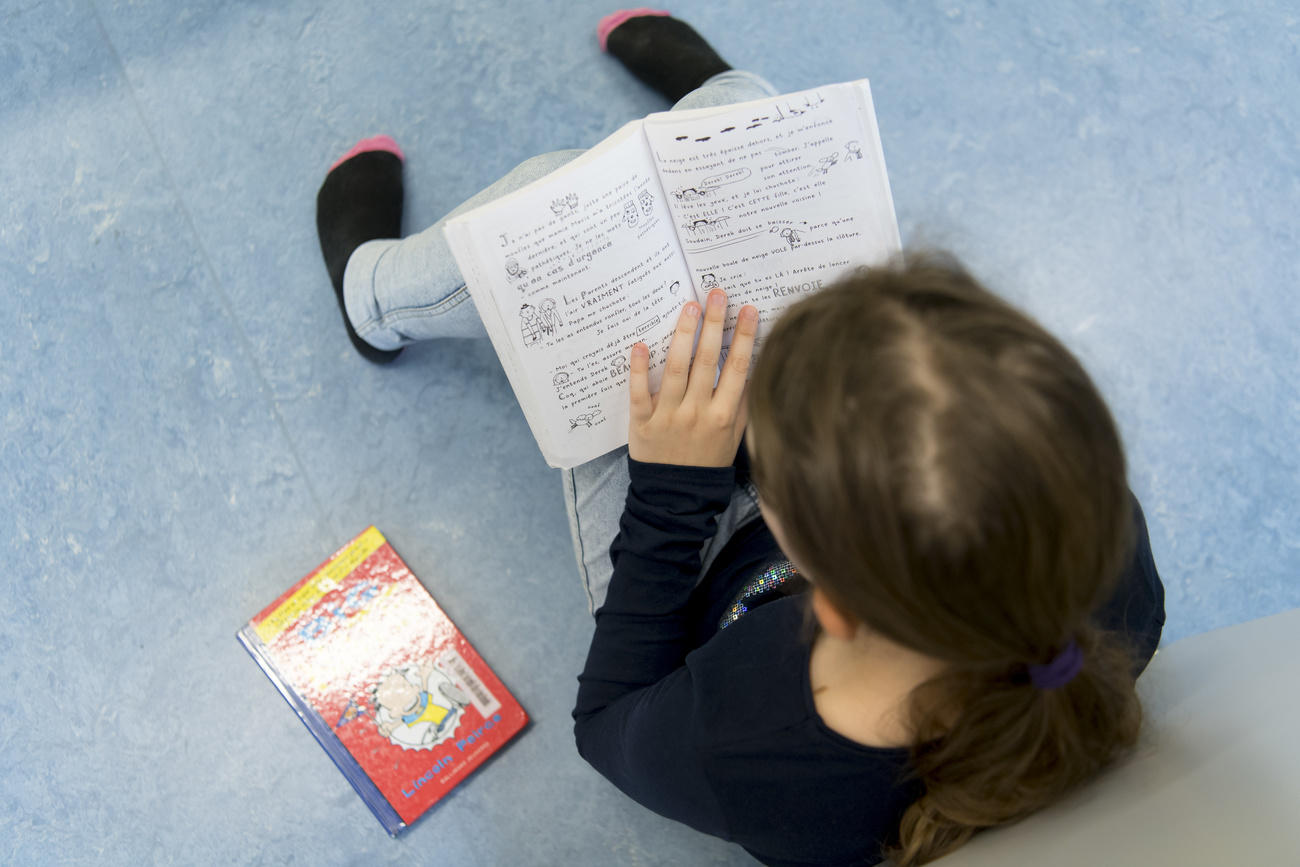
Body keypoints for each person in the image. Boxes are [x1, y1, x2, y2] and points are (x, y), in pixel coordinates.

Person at [314, 11, 1166, 866]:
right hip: (866, 552)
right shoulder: (1105, 553)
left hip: (687, 564)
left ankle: (373, 297)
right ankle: (715, 106)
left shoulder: (749, 741)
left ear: (820, 597)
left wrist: (673, 488)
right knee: (753, 137)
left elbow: (608, 721)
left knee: (549, 203)